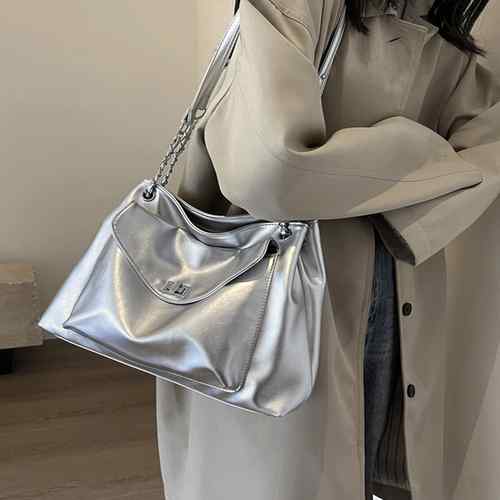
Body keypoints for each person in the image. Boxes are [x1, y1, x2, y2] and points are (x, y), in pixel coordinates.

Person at [156, 1, 500, 499]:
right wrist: (418, 157)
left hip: (398, 293)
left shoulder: (445, 18)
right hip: (278, 296)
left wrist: (357, 169)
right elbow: (268, 167)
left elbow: (487, 148)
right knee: (274, 474)